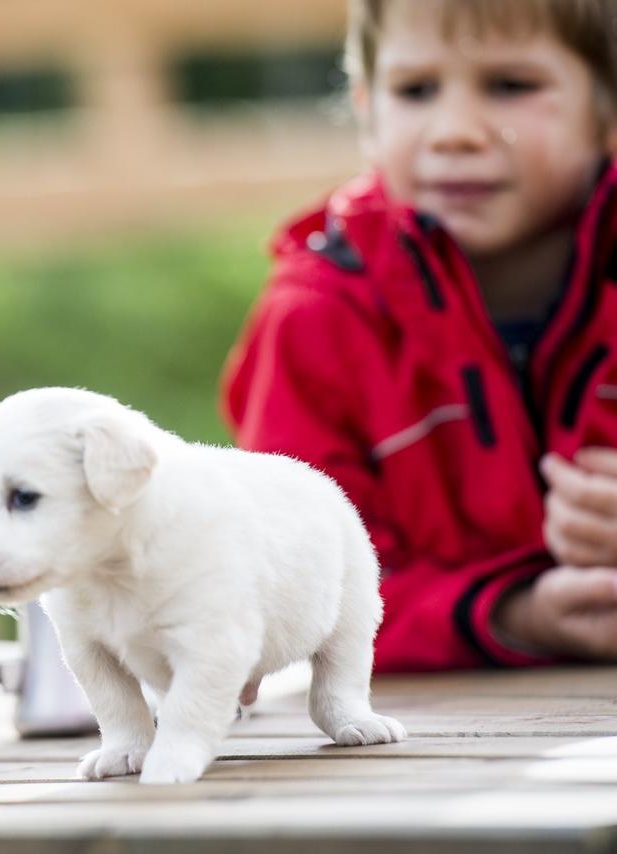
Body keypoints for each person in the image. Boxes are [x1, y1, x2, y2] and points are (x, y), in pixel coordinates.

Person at [223, 0, 617, 671]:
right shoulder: (315, 319)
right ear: (367, 111)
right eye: (415, 91)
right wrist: (514, 613)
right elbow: (291, 587)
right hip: (413, 751)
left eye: (510, 85)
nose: (455, 131)